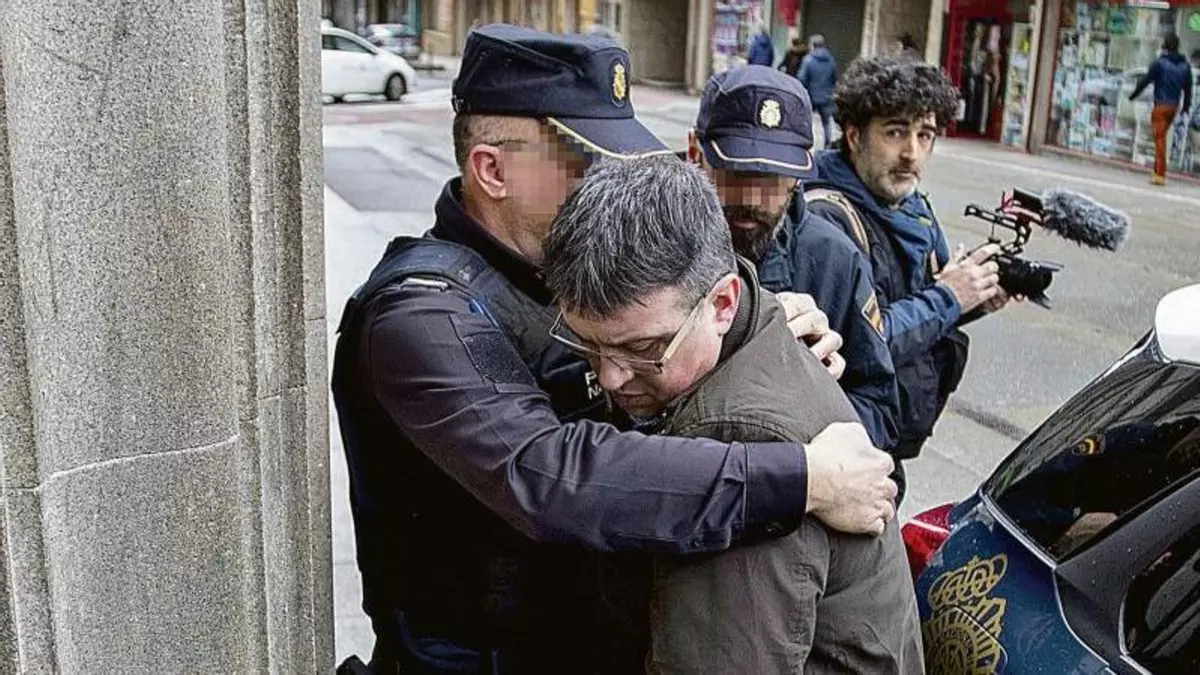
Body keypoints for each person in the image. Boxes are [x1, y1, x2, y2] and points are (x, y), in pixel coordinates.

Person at [331, 24, 899, 673]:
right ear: (493, 169)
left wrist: (753, 321)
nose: (609, 182)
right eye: (585, 162)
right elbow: (546, 472)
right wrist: (803, 478)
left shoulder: (559, 273)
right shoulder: (419, 315)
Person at [542, 155, 923, 674]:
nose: (610, 377)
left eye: (643, 349)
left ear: (723, 304)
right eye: (587, 344)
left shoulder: (738, 437)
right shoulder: (750, 326)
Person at [803, 56, 1011, 503]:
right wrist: (950, 297)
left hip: (888, 441)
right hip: (842, 448)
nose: (911, 154)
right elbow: (861, 343)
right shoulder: (826, 219)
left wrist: (974, 295)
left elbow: (926, 306)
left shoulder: (912, 208)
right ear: (854, 135)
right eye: (895, 132)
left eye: (925, 135)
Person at [683, 65, 899, 453]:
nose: (752, 197)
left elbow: (879, 409)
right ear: (695, 153)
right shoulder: (651, 240)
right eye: (736, 172)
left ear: (799, 175)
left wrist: (819, 395)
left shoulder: (834, 260)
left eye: (772, 179)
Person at [1130, 33, 1193, 185]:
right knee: (1162, 137)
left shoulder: (1160, 63)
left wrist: (1133, 95)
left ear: (1165, 45)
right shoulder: (1185, 66)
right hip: (1174, 107)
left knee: (1159, 139)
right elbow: (1188, 89)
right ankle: (1157, 170)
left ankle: (1160, 173)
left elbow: (1145, 80)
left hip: (1160, 105)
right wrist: (1185, 108)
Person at [798, 34, 838, 148]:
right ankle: (827, 144)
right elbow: (835, 77)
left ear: (813, 45)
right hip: (826, 96)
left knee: (807, 121)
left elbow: (802, 78)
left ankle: (806, 142)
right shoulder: (830, 59)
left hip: (811, 96)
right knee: (826, 122)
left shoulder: (808, 60)